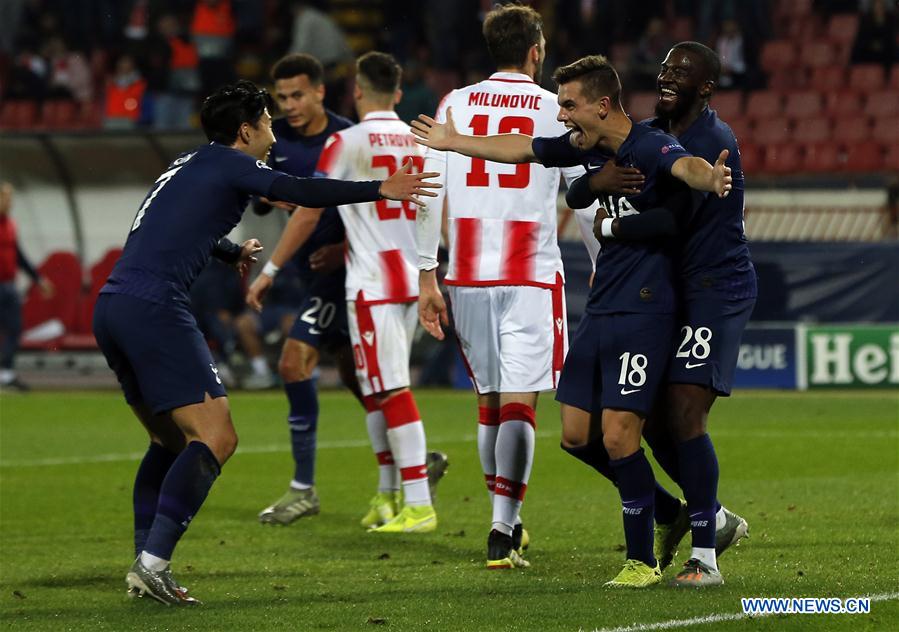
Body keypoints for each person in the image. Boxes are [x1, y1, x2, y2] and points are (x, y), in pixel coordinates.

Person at [92, 79, 439, 605]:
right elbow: (300, 191)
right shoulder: (234, 164)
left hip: (113, 305)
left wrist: (229, 252)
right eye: (268, 123)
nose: (273, 131)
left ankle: (146, 562)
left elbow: (171, 226)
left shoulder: (186, 164)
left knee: (169, 441)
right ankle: (153, 564)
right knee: (217, 437)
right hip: (155, 306)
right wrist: (379, 189)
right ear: (245, 129)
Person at [412, 55, 731, 588]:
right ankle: (672, 512)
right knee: (576, 436)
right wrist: (454, 142)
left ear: (602, 105)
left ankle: (644, 560)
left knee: (621, 435)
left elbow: (684, 167)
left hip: (645, 305)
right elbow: (520, 150)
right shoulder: (585, 151)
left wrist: (709, 176)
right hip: (603, 303)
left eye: (568, 105)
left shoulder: (648, 144)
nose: (560, 115)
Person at [568, 42, 756, 588]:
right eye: (666, 68)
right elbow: (581, 176)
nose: (668, 76)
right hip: (670, 291)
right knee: (641, 421)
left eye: (683, 72)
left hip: (714, 290)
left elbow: (670, 220)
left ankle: (705, 558)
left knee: (683, 412)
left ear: (706, 88)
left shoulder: (712, 142)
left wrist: (610, 230)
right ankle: (710, 518)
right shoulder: (649, 133)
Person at [415, 4, 593, 570]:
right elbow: (583, 196)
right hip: (529, 271)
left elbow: (427, 191)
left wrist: (426, 274)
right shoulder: (555, 106)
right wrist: (605, 260)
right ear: (536, 51)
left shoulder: (454, 104)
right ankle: (502, 527)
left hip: (466, 271)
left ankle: (504, 526)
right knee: (521, 400)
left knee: (489, 401)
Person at [247, 53, 448, 525]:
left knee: (391, 390)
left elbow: (311, 210)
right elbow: (437, 210)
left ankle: (417, 501)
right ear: (397, 93)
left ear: (355, 92)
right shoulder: (425, 142)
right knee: (375, 388)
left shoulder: (344, 141)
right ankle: (389, 496)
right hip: (413, 276)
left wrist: (270, 270)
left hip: (372, 282)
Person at [0, 182, 54, 392]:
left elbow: (19, 257)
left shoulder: (11, 225)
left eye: (10, 199)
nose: (8, 202)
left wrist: (38, 279)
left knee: (14, 328)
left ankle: (6, 373)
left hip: (8, 285)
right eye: (4, 198)